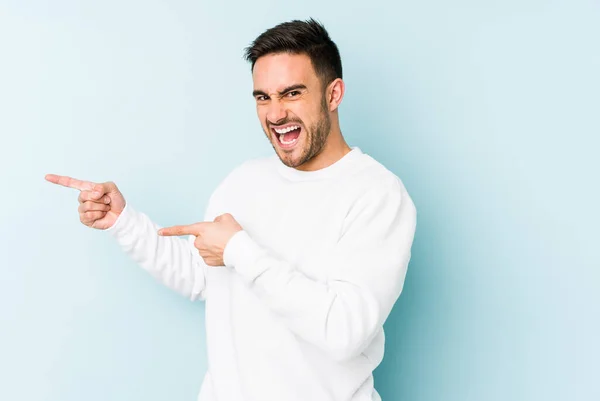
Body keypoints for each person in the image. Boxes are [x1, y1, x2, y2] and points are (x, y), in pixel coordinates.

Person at [45, 18, 417, 401]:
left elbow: (343, 332)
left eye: (291, 93)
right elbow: (199, 275)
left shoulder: (377, 194)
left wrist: (240, 249)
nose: (275, 114)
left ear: (333, 94)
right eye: (262, 97)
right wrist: (122, 221)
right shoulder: (243, 181)